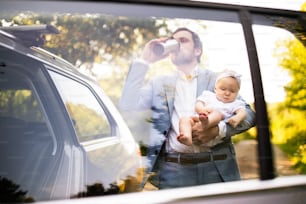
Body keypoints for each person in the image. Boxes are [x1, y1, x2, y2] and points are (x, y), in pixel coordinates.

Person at [119, 27, 255, 189]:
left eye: (182, 40)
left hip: (216, 168)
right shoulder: (159, 83)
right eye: (173, 41)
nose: (176, 44)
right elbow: (128, 103)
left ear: (197, 50)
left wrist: (219, 130)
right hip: (174, 171)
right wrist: (145, 60)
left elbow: (248, 115)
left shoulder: (218, 79)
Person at [177, 70, 247, 147]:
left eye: (232, 91)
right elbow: (198, 103)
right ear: (215, 88)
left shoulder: (235, 103)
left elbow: (242, 112)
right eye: (223, 89)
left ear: (237, 92)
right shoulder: (209, 95)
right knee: (184, 119)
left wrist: (237, 118)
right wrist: (202, 110)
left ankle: (207, 122)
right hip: (198, 120)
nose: (227, 93)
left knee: (217, 114)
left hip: (212, 130)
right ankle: (187, 136)